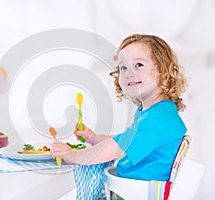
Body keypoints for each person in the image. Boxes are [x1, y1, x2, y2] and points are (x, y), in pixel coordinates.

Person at [50, 34, 187, 198]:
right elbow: (123, 142)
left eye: (138, 65)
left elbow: (116, 148)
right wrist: (93, 138)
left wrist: (74, 156)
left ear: (162, 71)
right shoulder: (156, 112)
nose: (129, 72)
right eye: (123, 68)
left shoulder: (157, 119)